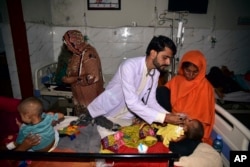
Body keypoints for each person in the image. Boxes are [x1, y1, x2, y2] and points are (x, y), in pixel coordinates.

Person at [80, 35, 185, 138]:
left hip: (124, 118)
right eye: (165, 57)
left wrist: (171, 116)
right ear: (153, 53)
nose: (168, 62)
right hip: (104, 113)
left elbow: (151, 101)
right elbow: (132, 103)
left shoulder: (155, 73)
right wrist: (164, 118)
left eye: (169, 59)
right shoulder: (129, 66)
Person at [163, 50, 215, 144]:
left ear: (201, 70)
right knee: (161, 92)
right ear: (183, 68)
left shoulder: (206, 87)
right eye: (188, 71)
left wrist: (185, 132)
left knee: (182, 148)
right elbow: (162, 98)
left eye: (195, 72)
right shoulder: (177, 80)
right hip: (173, 119)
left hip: (192, 129)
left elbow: (202, 121)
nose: (190, 75)